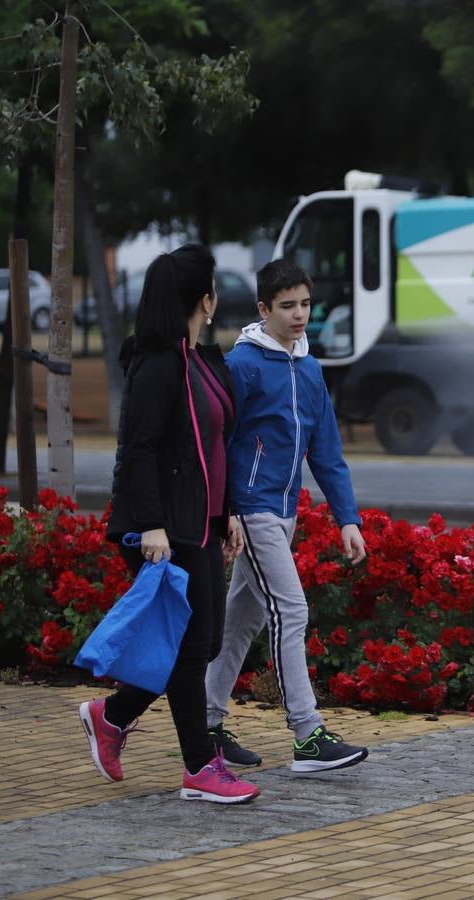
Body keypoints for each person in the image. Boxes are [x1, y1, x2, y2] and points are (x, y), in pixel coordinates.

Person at [78, 244, 260, 804]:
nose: (216, 299)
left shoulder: (204, 360)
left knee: (199, 644)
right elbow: (139, 450)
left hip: (200, 521)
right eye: (212, 290)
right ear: (203, 299)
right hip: (161, 526)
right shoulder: (155, 364)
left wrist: (227, 510)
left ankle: (112, 716)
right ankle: (200, 768)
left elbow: (216, 444)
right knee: (189, 644)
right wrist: (151, 524)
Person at [202, 257, 369, 773]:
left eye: (305, 304)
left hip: (284, 511)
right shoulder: (244, 365)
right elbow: (220, 441)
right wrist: (226, 509)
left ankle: (205, 726)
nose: (299, 315)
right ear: (263, 309)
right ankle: (307, 734)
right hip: (251, 511)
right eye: (287, 306)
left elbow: (327, 451)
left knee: (240, 622)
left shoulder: (311, 368)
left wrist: (347, 519)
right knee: (291, 611)